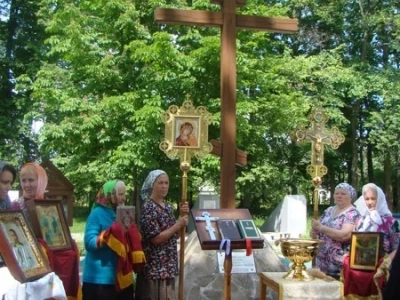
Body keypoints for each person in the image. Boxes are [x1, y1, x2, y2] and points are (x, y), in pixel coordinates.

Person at [10, 162, 80, 300]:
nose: (27, 184)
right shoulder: (16, 206)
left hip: (50, 266)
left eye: (31, 180)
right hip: (28, 265)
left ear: (41, 180)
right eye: (23, 180)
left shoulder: (50, 205)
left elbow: (58, 234)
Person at [135, 170, 189, 300]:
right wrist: (177, 225)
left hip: (167, 266)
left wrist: (182, 219)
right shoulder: (149, 207)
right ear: (152, 185)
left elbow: (175, 236)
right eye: (160, 183)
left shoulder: (168, 207)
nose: (164, 186)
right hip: (154, 268)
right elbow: (155, 238)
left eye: (166, 183)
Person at [82, 180, 138, 300]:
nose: (124, 198)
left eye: (124, 194)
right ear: (109, 195)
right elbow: (89, 243)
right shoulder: (96, 214)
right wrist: (108, 235)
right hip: (100, 280)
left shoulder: (123, 213)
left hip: (121, 278)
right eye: (120, 194)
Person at [342, 183, 400, 298]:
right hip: (361, 268)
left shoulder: (390, 222)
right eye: (367, 199)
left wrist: (386, 264)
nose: (370, 202)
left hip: (382, 269)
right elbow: (354, 243)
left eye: (373, 198)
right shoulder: (360, 220)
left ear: (380, 199)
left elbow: (397, 247)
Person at [310, 182, 360, 279]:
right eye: (337, 193)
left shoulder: (352, 213)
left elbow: (344, 235)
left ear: (351, 197)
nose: (339, 196)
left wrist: (321, 228)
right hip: (320, 264)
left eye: (343, 194)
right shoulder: (329, 210)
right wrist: (314, 232)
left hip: (338, 265)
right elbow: (317, 229)